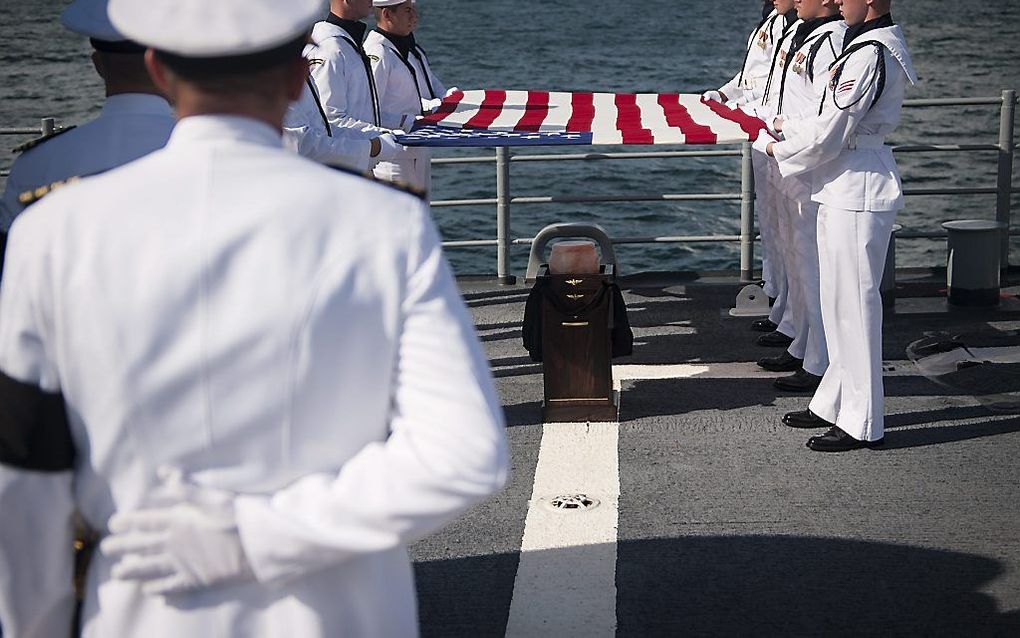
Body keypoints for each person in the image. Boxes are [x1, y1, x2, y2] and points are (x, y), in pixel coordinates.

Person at [0, 0, 509, 636]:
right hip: (339, 614)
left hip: (140, 612)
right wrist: (256, 537)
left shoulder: (51, 232)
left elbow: (26, 485)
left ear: (158, 69)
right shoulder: (385, 226)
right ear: (299, 76)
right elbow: (464, 457)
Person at [762, 0, 916, 451]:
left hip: (858, 185)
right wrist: (784, 124)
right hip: (841, 183)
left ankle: (863, 422)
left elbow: (832, 132)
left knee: (855, 311)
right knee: (835, 303)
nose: (838, 2)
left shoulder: (870, 53)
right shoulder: (862, 46)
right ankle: (832, 402)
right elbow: (824, 121)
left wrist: (779, 150)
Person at [0, 0, 174, 270]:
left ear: (98, 65)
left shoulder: (36, 164)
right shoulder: (212, 153)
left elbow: (14, 268)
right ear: (167, 64)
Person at [755, 0, 846, 393]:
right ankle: (803, 340)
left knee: (812, 264)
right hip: (784, 151)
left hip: (804, 162)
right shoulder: (800, 31)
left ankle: (820, 358)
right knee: (795, 256)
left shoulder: (831, 41)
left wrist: (783, 134)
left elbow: (821, 114)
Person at [703, 0, 798, 339]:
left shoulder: (800, 28)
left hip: (780, 135)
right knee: (771, 225)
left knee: (789, 233)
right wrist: (723, 95)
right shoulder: (771, 20)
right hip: (761, 132)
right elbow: (751, 77)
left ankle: (789, 312)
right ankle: (778, 296)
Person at [365, 0, 450, 193]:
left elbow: (431, 84)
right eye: (408, 11)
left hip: (419, 148)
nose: (415, 16)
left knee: (420, 214)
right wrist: (406, 120)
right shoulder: (377, 53)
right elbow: (370, 109)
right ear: (387, 14)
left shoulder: (412, 49)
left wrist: (449, 99)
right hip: (394, 156)